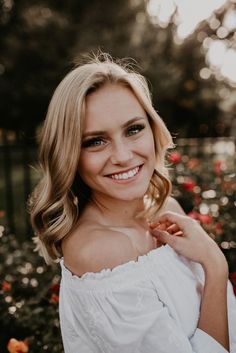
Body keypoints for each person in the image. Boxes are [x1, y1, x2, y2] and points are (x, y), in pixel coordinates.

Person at [29, 53, 236, 353]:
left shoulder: (168, 210)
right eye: (95, 141)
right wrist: (215, 265)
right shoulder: (99, 252)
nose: (123, 155)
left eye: (133, 129)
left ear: (153, 129)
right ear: (70, 155)